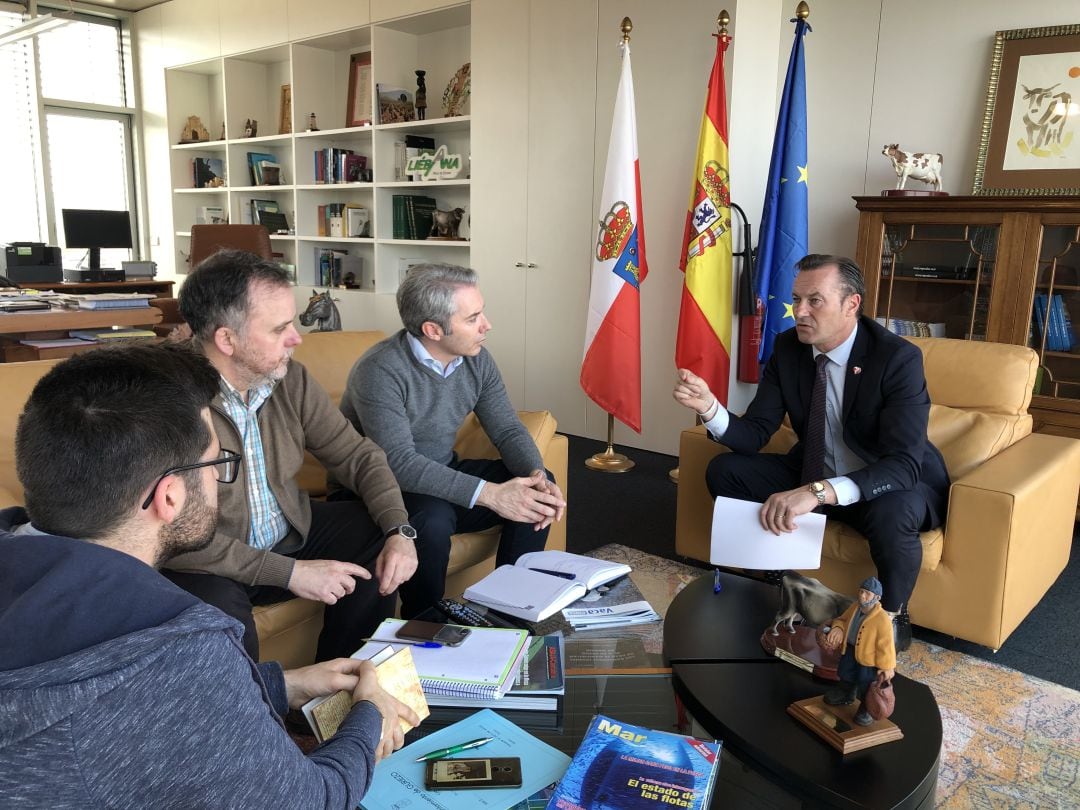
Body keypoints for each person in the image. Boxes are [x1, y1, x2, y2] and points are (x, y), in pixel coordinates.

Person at [0, 344, 419, 807]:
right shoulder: (184, 647)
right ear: (170, 497)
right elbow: (312, 799)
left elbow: (135, 706)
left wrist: (278, 685)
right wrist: (369, 715)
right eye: (219, 463)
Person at [673, 254, 949, 651]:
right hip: (814, 467)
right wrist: (708, 407)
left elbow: (903, 464)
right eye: (796, 299)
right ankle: (776, 577)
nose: (799, 312)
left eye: (814, 301)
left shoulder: (897, 358)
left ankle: (891, 614)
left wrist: (816, 492)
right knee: (726, 470)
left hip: (883, 482)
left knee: (894, 509)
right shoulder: (788, 349)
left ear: (851, 304)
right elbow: (754, 433)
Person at [163, 250, 418, 662]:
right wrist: (292, 573)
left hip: (287, 534)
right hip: (207, 563)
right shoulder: (165, 399)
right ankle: (256, 718)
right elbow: (173, 538)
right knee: (216, 614)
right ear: (227, 339)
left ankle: (337, 688)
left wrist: (399, 531)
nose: (297, 338)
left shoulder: (287, 377)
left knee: (374, 531)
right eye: (280, 328)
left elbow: (357, 456)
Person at [335, 263, 566, 618]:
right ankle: (424, 620)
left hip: (439, 472)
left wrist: (534, 474)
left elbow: (506, 427)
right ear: (433, 329)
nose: (486, 325)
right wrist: (491, 494)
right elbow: (397, 462)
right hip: (378, 488)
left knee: (538, 486)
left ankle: (511, 608)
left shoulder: (476, 359)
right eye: (473, 318)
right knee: (433, 518)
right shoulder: (379, 370)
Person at [821, 576, 896, 726]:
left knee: (866, 684)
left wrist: (887, 667)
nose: (862, 595)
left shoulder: (882, 619)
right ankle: (846, 694)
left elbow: (886, 646)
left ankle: (866, 708)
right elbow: (841, 620)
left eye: (867, 593)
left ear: (877, 597)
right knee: (845, 674)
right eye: (861, 591)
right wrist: (837, 628)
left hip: (868, 660)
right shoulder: (855, 607)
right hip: (849, 650)